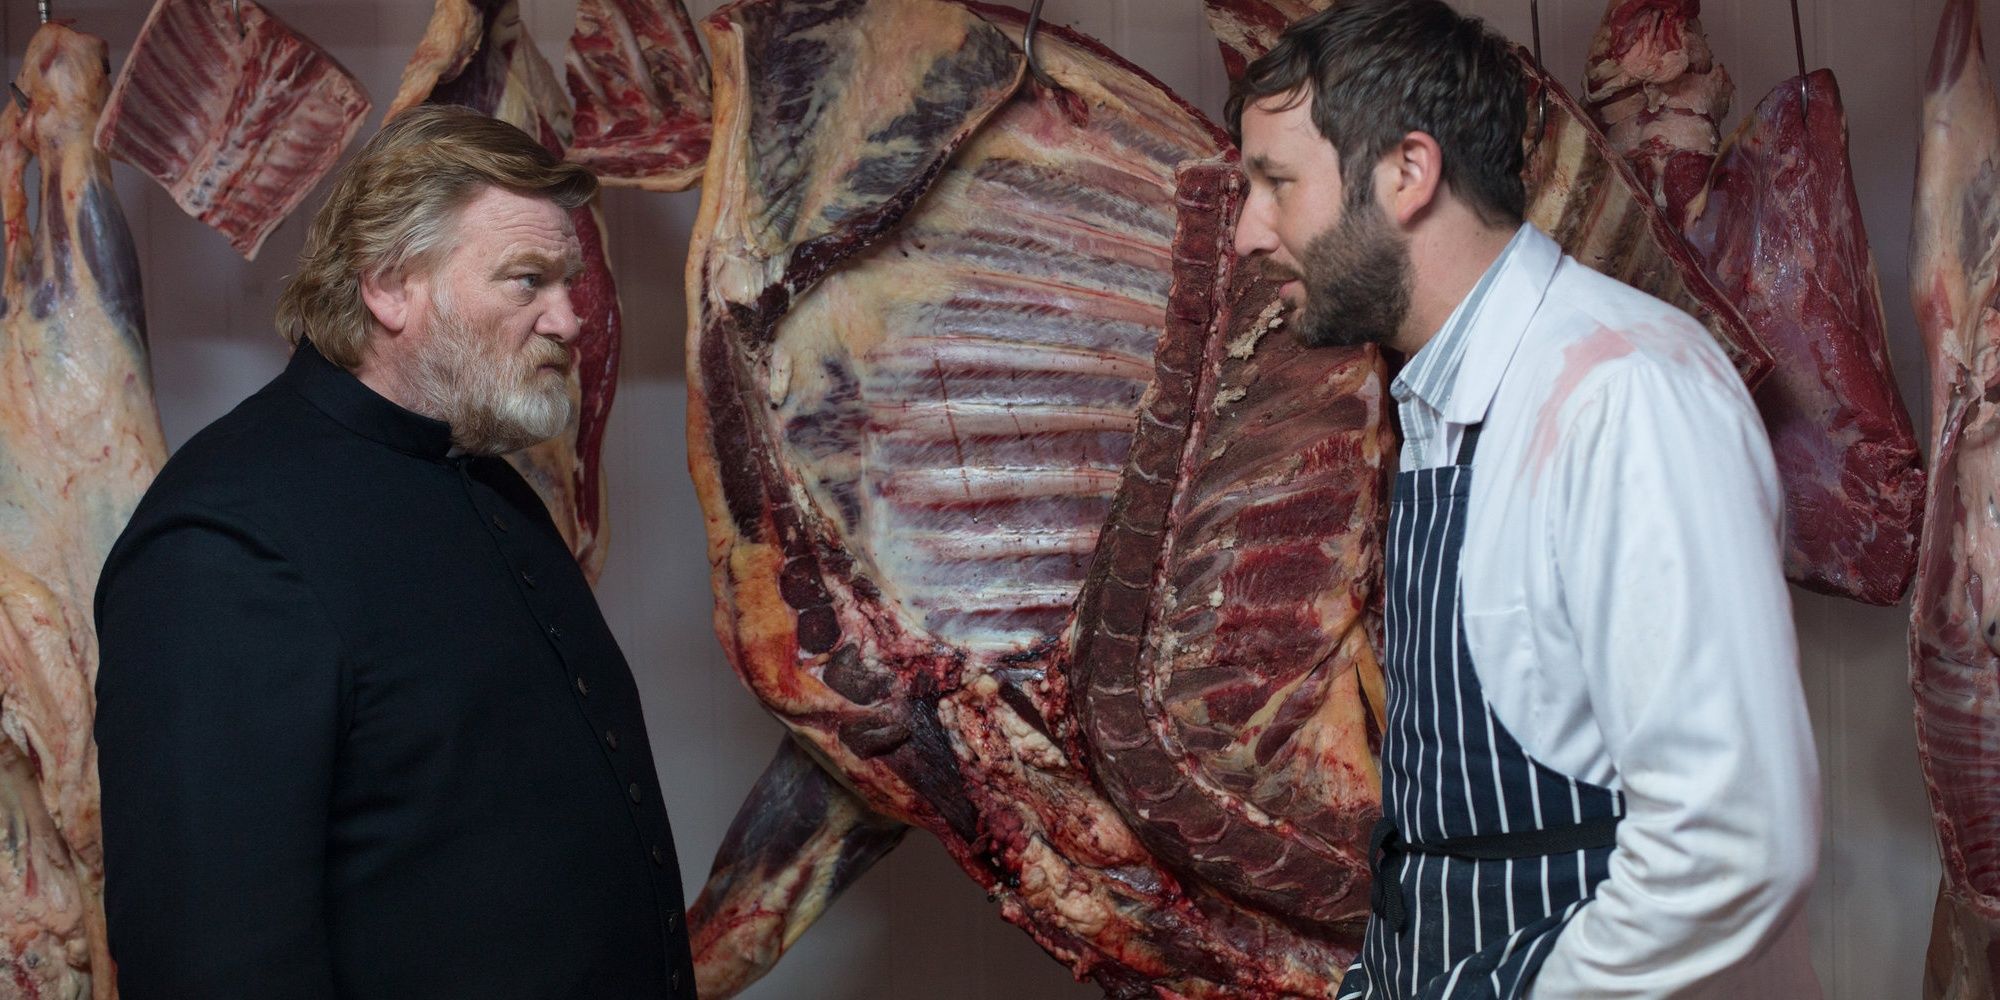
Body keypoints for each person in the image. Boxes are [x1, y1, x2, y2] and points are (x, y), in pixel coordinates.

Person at [1227, 2, 1820, 997]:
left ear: (1406, 174)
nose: (1245, 232)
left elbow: (1733, 842)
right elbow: (1452, 836)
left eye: (1274, 184)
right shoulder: (1441, 397)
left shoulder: (1620, 393)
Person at [92, 105, 694, 999]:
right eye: (527, 280)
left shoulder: (482, 475)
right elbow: (212, 965)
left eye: (569, 283)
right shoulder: (227, 541)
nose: (571, 320)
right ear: (387, 284)